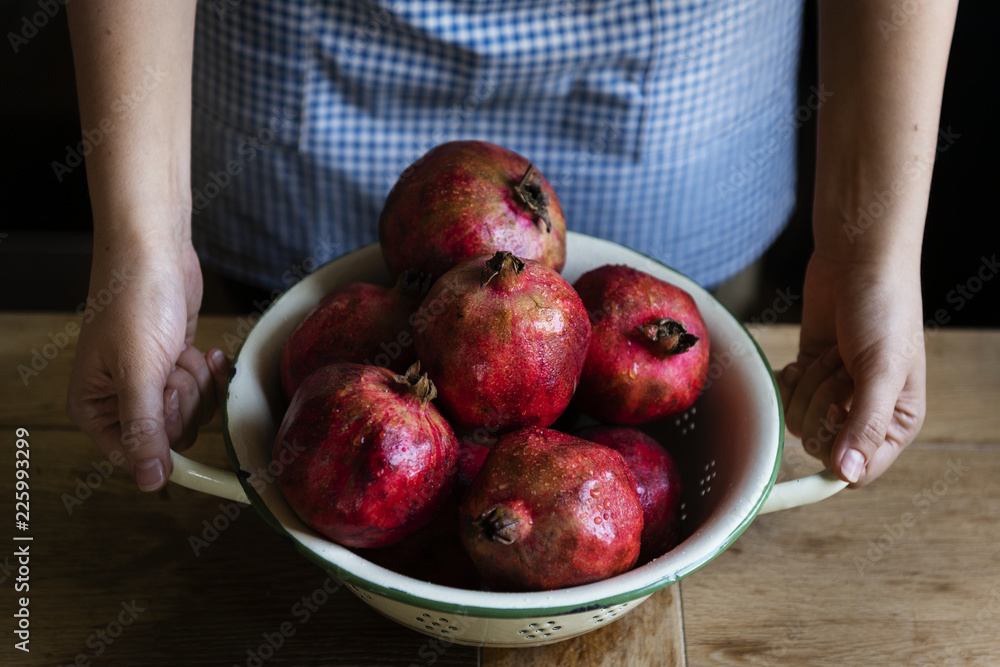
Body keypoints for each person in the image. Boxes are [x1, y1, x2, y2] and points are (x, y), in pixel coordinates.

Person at [65, 1, 958, 493]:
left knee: (659, 400)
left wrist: (865, 246)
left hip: (681, 79)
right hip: (306, 78)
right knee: (288, 390)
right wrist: (144, 240)